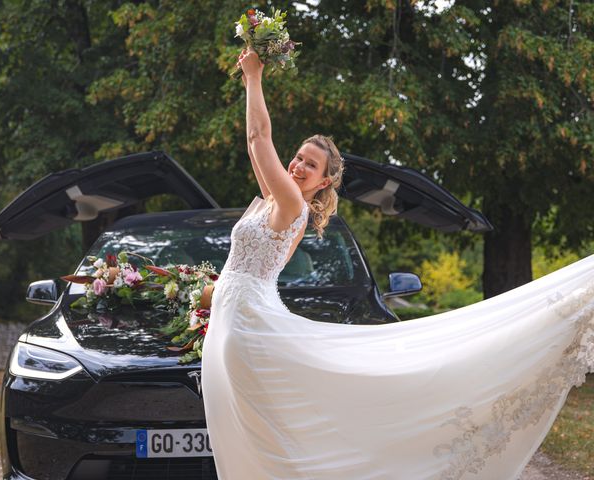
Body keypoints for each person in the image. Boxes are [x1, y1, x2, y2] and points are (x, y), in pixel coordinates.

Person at [200, 48, 594, 480]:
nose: (297, 166)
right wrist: (247, 84)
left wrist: (255, 78)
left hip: (246, 326)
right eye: (297, 158)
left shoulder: (292, 203)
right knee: (253, 432)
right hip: (233, 316)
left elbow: (259, 140)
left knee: (263, 435)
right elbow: (254, 146)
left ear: (325, 181)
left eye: (309, 165)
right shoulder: (277, 198)